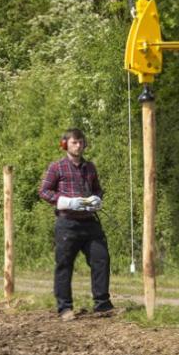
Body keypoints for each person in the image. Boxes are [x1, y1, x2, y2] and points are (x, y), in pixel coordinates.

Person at [39, 128, 114, 321]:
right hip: (67, 224)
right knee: (64, 265)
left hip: (90, 223)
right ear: (65, 144)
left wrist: (97, 199)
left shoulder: (90, 168)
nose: (78, 145)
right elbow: (44, 191)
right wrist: (64, 201)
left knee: (101, 258)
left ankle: (102, 305)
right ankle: (65, 308)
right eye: (74, 142)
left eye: (81, 142)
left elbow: (98, 189)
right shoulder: (57, 167)